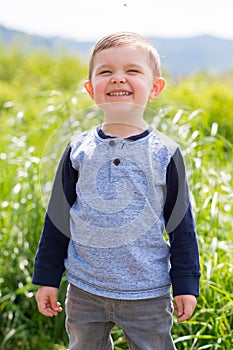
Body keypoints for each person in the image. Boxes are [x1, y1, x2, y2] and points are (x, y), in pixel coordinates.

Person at [32, 31, 201, 350]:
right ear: (90, 88)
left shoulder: (164, 152)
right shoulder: (77, 149)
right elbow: (57, 220)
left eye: (132, 71)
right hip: (84, 289)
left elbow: (181, 226)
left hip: (147, 293)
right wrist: (47, 277)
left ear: (155, 87)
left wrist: (186, 283)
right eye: (106, 71)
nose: (117, 78)